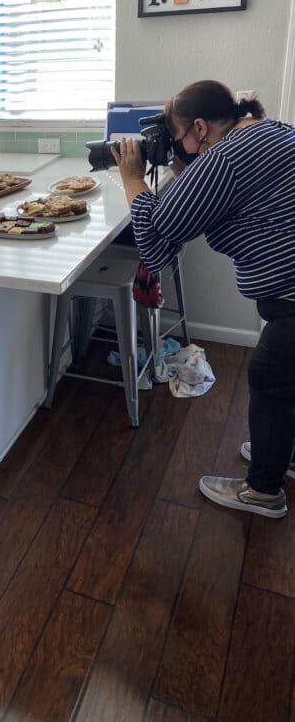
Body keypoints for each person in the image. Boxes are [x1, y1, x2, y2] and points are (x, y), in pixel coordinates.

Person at [111, 79, 295, 518]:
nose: (178, 149)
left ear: (199, 127)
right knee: (288, 380)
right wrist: (183, 171)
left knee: (269, 379)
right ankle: (283, 456)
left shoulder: (223, 158)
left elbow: (158, 242)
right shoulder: (272, 130)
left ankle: (263, 492)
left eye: (177, 139)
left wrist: (133, 179)